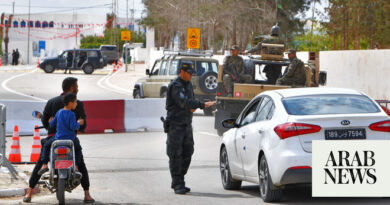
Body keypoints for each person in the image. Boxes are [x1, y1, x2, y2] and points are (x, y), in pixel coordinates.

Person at [23, 77, 94, 203]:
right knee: (81, 163)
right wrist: (78, 124)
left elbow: (46, 123)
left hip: (53, 138)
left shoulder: (51, 102)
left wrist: (52, 125)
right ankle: (87, 194)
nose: (78, 88)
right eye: (77, 86)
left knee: (40, 162)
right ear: (72, 88)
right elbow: (82, 126)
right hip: (70, 140)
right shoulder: (77, 104)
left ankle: (29, 193)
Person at [165, 61, 216, 194]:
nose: (191, 76)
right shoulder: (175, 85)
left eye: (192, 74)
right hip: (176, 125)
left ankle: (178, 179)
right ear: (182, 71)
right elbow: (184, 101)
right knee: (176, 154)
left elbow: (189, 105)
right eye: (189, 74)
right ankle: (178, 183)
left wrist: (193, 107)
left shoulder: (188, 85)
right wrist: (202, 105)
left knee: (188, 152)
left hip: (186, 124)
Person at [39, 93, 84, 173]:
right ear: (70, 103)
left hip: (58, 138)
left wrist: (50, 121)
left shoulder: (59, 112)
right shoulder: (72, 114)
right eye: (75, 102)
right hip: (71, 139)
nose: (76, 104)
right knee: (78, 150)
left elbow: (52, 124)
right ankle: (76, 167)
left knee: (46, 146)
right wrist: (79, 123)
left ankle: (44, 165)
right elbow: (73, 127)